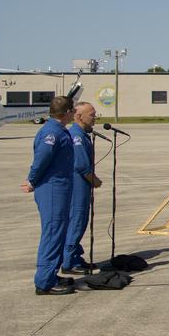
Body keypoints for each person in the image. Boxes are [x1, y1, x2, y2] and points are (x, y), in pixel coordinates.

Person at [20, 96, 77, 295]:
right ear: (68, 112)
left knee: (58, 232)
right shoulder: (51, 133)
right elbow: (42, 159)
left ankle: (50, 273)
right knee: (53, 233)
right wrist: (32, 180)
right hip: (53, 190)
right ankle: (45, 282)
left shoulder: (58, 130)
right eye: (73, 110)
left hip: (59, 188)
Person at [62, 101, 102, 274]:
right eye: (91, 115)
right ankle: (69, 262)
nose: (95, 118)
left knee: (80, 221)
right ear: (79, 116)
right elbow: (81, 165)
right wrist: (95, 180)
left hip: (82, 186)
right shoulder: (76, 136)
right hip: (78, 186)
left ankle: (75, 256)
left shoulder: (82, 134)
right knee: (77, 221)